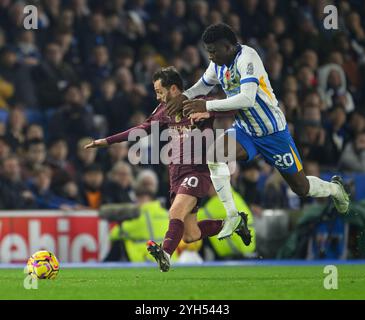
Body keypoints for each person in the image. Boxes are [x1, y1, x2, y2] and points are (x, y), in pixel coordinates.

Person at [166, 23, 350, 239]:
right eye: (208, 52)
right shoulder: (217, 65)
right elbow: (203, 85)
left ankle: (335, 189)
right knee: (214, 156)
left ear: (228, 46)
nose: (211, 56)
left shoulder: (248, 58)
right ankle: (233, 216)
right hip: (246, 132)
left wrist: (206, 106)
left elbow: (247, 98)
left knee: (302, 187)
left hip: (273, 134)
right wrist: (185, 96)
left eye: (213, 51)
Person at [84, 66, 251, 272]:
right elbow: (142, 129)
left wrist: (208, 111)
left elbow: (237, 106)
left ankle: (165, 253)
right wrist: (107, 141)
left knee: (175, 211)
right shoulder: (164, 111)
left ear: (173, 89)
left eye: (159, 91)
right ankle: (234, 223)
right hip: (176, 174)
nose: (157, 97)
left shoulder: (198, 102)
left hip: (197, 170)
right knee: (191, 234)